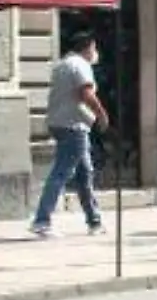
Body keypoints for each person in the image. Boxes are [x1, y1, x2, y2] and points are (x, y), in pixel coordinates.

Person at [32, 32, 109, 238]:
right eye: (94, 49)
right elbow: (86, 94)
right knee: (61, 172)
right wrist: (101, 115)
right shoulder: (81, 65)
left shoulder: (61, 65)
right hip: (73, 125)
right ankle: (42, 220)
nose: (95, 53)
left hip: (59, 123)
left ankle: (94, 220)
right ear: (88, 48)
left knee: (84, 173)